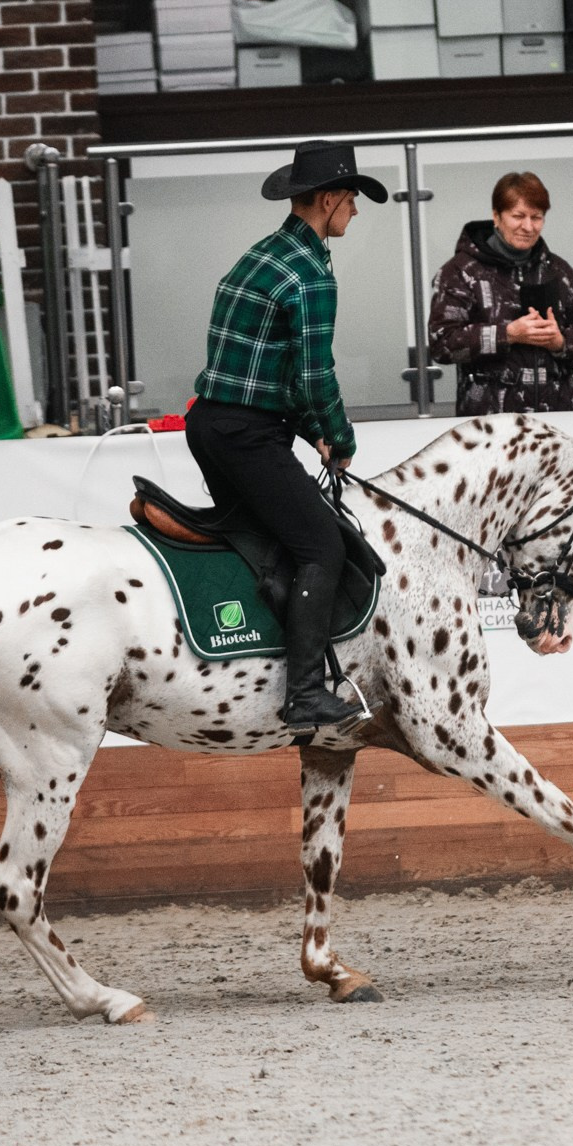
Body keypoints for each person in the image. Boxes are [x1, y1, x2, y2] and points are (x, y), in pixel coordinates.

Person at [187, 138, 386, 730]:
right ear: (327, 200)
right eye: (350, 200)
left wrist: (307, 430)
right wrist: (338, 436)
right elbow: (311, 373)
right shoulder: (309, 275)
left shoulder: (262, 254)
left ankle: (250, 663)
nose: (354, 211)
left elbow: (263, 370)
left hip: (212, 424)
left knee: (267, 539)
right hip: (248, 435)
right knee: (321, 546)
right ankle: (303, 693)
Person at [427, 171, 573, 415]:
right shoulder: (459, 272)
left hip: (559, 419)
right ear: (496, 216)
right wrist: (507, 334)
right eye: (518, 216)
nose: (528, 227)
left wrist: (560, 341)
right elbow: (441, 344)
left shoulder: (559, 271)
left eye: (536, 217)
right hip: (490, 424)